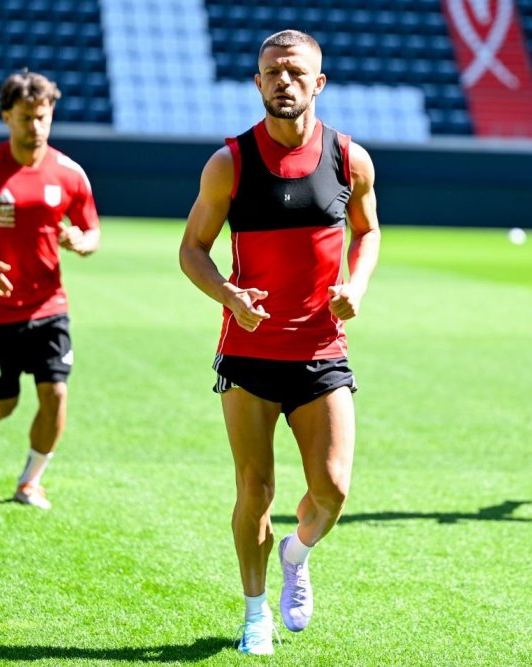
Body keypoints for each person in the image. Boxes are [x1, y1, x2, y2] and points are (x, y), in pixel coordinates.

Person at [179, 30, 381, 655]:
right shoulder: (230, 162)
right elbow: (192, 249)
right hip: (249, 355)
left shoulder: (349, 158)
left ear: (318, 83)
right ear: (258, 82)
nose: (283, 81)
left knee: (333, 490)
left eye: (295, 72)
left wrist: (359, 283)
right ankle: (254, 614)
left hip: (322, 349)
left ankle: (296, 554)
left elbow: (368, 231)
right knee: (254, 490)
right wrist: (229, 296)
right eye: (272, 72)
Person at [0, 70, 100, 511]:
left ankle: (30, 481)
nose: (36, 127)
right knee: (2, 404)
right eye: (26, 117)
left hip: (50, 305)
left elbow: (91, 229)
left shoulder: (69, 173)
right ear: (7, 116)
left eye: (43, 117)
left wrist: (82, 242)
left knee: (56, 393)